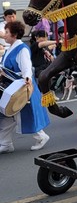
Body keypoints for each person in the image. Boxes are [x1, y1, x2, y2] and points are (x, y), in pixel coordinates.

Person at [0, 21, 50, 152]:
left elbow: (26, 67)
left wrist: (27, 79)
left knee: (22, 115)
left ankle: (41, 137)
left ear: (14, 34)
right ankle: (5, 143)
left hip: (21, 87)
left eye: (6, 32)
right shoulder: (11, 47)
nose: (4, 35)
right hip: (12, 86)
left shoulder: (22, 49)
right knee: (7, 115)